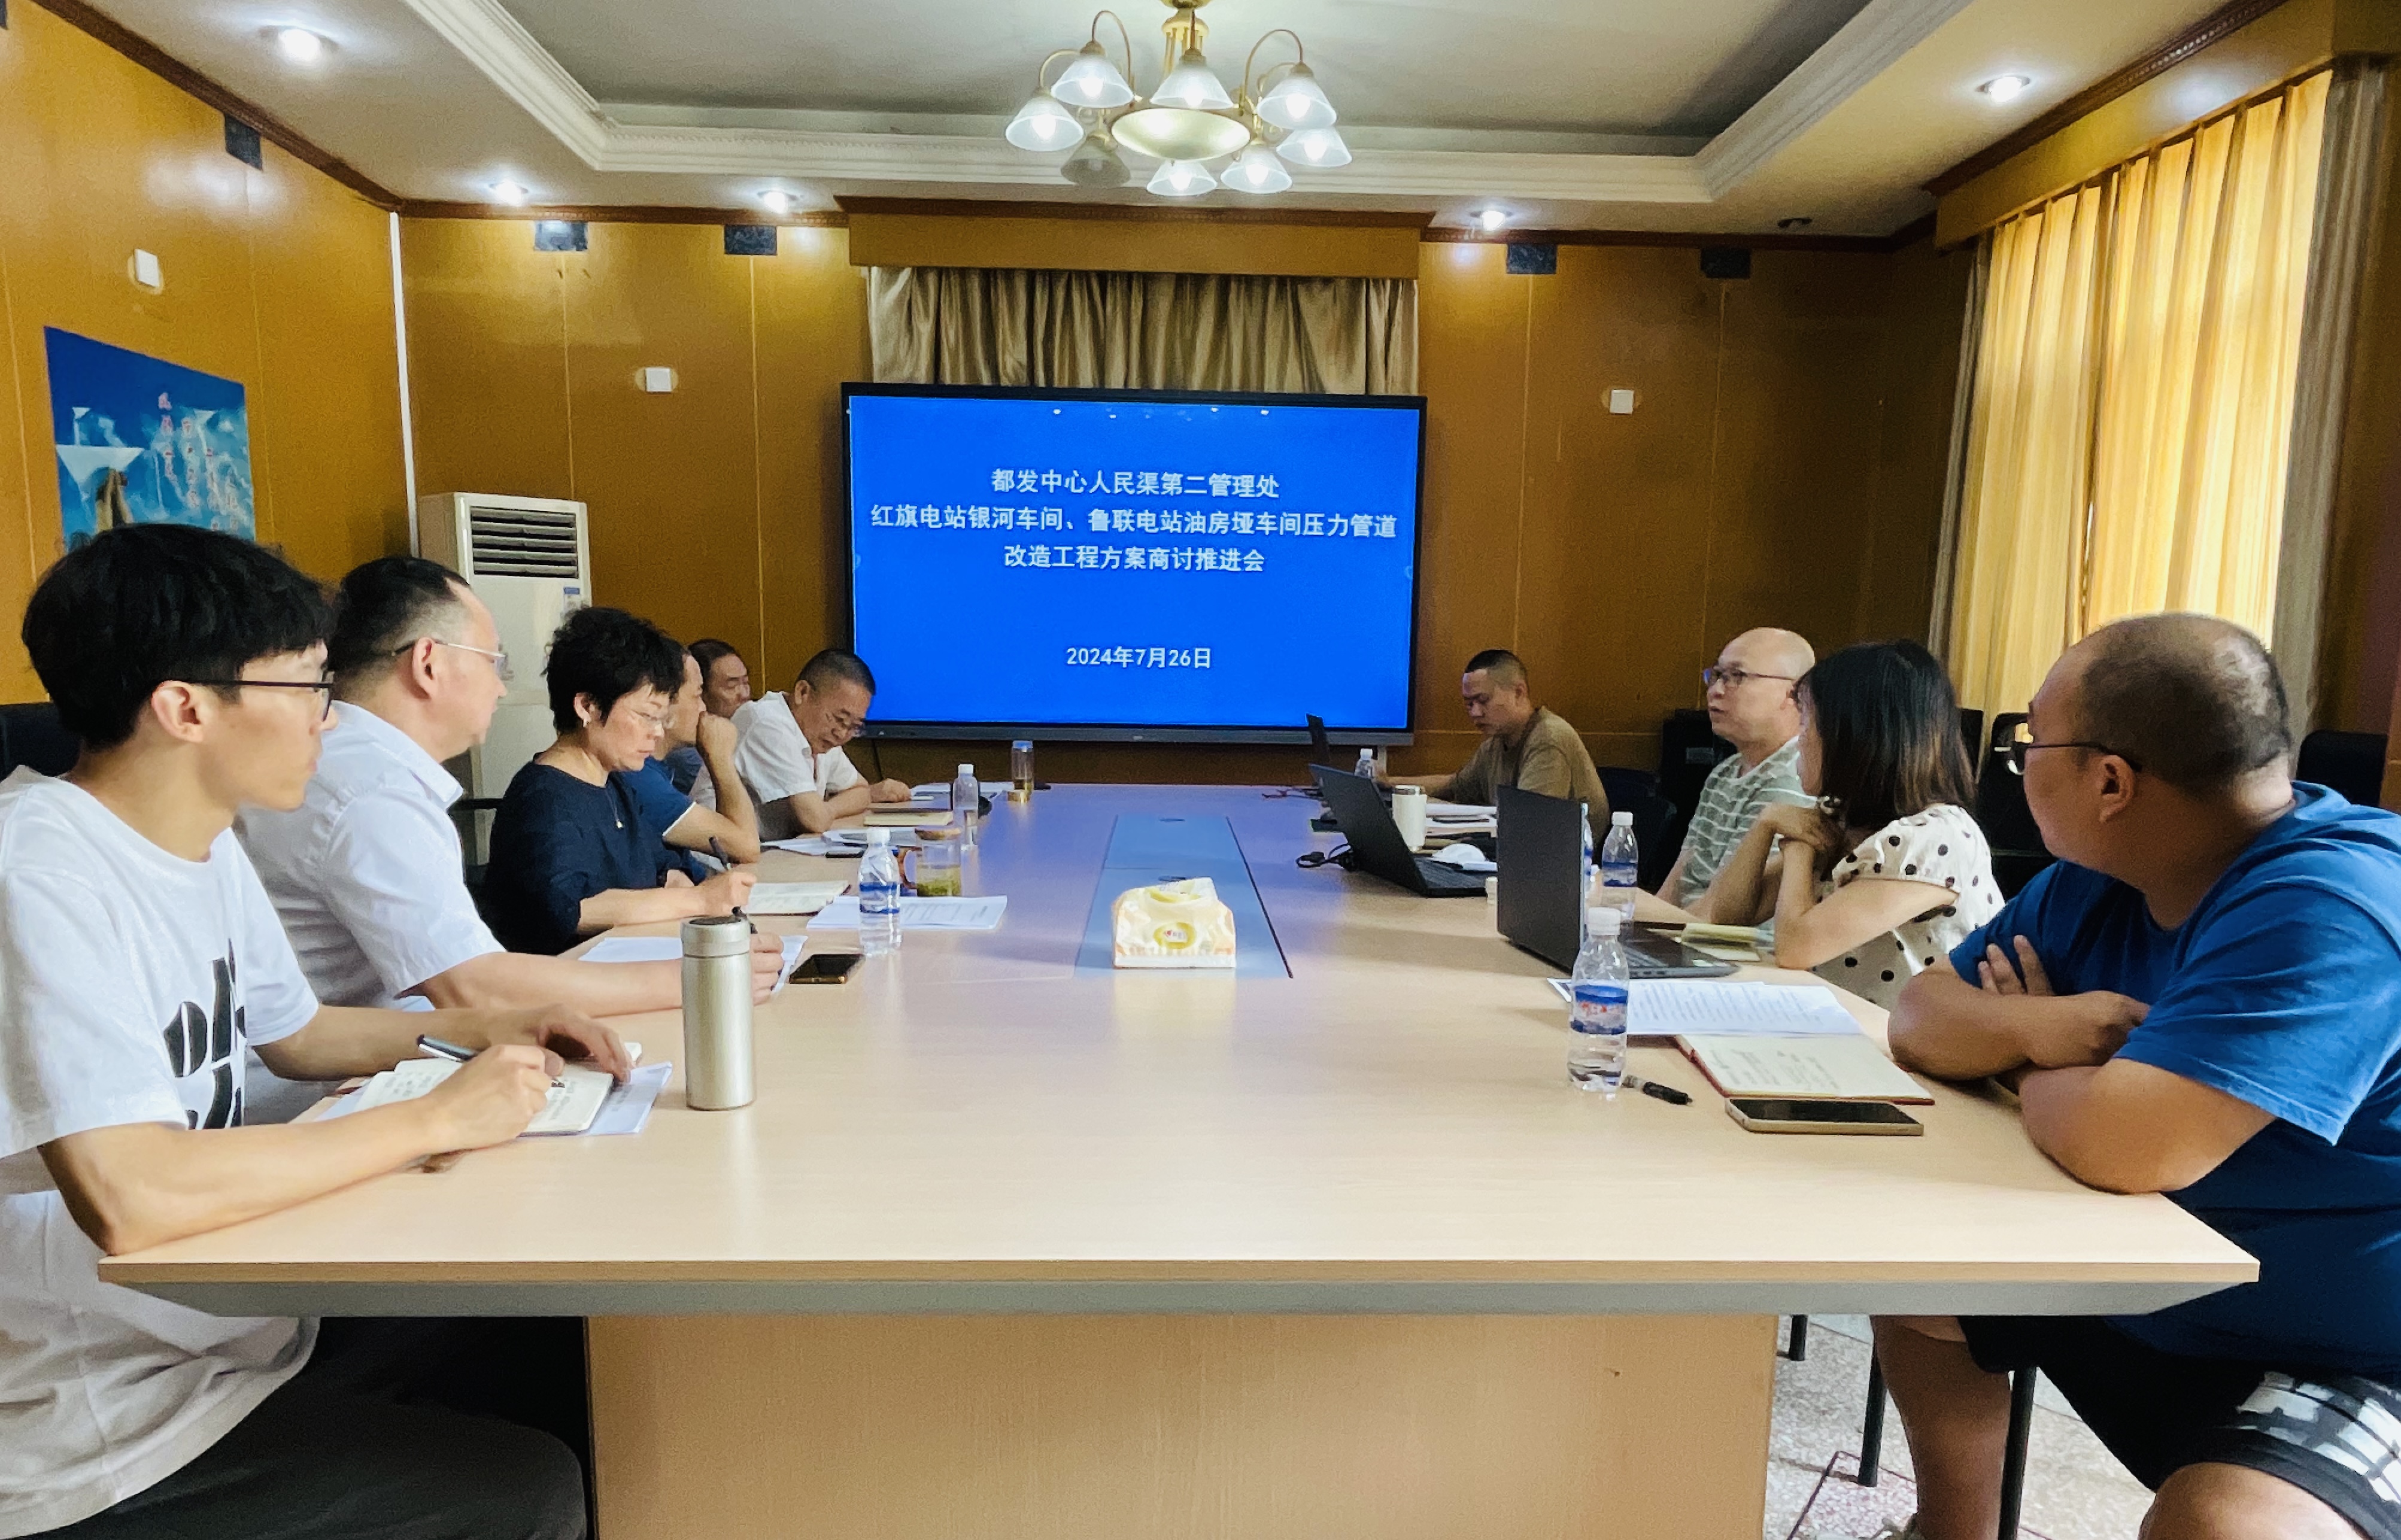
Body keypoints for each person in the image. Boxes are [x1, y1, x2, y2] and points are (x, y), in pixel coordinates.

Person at [1, 524, 627, 1540]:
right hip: (105, 1424)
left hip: (233, 1334)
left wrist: (497, 1026)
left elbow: (297, 1032)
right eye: (305, 688)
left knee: (561, 1344)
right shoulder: (38, 873)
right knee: (536, 1488)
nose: (327, 720)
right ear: (185, 707)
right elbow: (131, 1194)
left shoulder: (202, 840)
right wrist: (436, 1118)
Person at [1874, 615, 2401, 1540]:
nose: (2017, 767)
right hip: (2150, 1287)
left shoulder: (2329, 903)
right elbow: (1918, 1018)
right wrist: (2050, 1028)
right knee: (1915, 1280)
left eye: (2030, 744)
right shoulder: (2099, 874)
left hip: (2347, 1348)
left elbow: (2123, 1146)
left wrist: (2021, 1070)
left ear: (2108, 781)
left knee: (2222, 1527)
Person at [238, 559, 781, 1042]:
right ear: (429, 662)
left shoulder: (357, 765)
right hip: (338, 1090)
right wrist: (701, 974)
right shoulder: (372, 788)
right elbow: (474, 986)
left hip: (396, 1048)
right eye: (493, 662)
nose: (500, 688)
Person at [1701, 640, 1999, 1010]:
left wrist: (1799, 847)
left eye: (1806, 723)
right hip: (1839, 1024)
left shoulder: (1934, 837)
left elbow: (1797, 948)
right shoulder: (1845, 819)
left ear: (1855, 735)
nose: (1799, 741)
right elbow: (1728, 919)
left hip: (1904, 1039)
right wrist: (1765, 825)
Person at [479, 608, 758, 956]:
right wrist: (699, 900)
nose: (657, 733)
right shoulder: (543, 799)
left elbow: (667, 871)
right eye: (646, 716)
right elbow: (569, 910)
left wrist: (687, 890)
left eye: (661, 718)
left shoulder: (617, 786)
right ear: (588, 707)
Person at [1662, 628, 1816, 916]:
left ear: (1794, 694)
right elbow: (1678, 881)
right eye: (1717, 675)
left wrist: (1643, 921)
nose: (1716, 690)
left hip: (1727, 939)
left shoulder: (1794, 776)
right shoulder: (1726, 771)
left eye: (1737, 676)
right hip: (1683, 929)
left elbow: (1722, 913)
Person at [1389, 649, 1610, 830]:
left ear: (1519, 693)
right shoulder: (1495, 743)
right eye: (1469, 704)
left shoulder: (1549, 740)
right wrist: (1388, 783)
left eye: (1483, 700)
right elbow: (1456, 786)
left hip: (1562, 864)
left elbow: (1526, 824)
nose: (1475, 713)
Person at [708, 648, 912, 839]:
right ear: (802, 693)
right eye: (839, 719)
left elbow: (861, 791)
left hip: (768, 853)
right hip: (720, 856)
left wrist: (828, 809)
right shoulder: (767, 723)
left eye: (854, 726)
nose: (842, 734)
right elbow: (815, 820)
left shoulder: (821, 735)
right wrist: (826, 811)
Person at [618, 649, 761, 866]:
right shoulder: (638, 776)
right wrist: (720, 758)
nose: (703, 708)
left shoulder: (655, 768)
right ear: (663, 702)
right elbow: (746, 847)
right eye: (697, 695)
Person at [671, 639, 749, 797]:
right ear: (701, 692)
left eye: (746, 682)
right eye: (732, 686)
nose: (745, 694)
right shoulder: (685, 753)